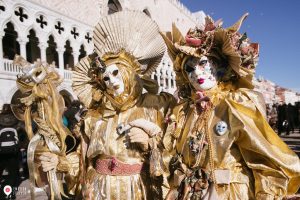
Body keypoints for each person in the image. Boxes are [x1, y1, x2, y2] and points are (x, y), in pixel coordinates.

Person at [35, 11, 176, 200]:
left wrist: (150, 143)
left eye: (116, 73)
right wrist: (60, 162)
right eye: (106, 77)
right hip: (98, 190)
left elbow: (174, 152)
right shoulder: (94, 116)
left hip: (135, 190)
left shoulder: (155, 107)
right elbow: (83, 159)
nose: (111, 81)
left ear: (129, 73)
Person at [161, 13, 300, 199]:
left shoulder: (234, 104)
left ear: (219, 66)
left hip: (228, 192)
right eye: (189, 68)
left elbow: (263, 156)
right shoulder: (183, 110)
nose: (196, 72)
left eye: (202, 63)